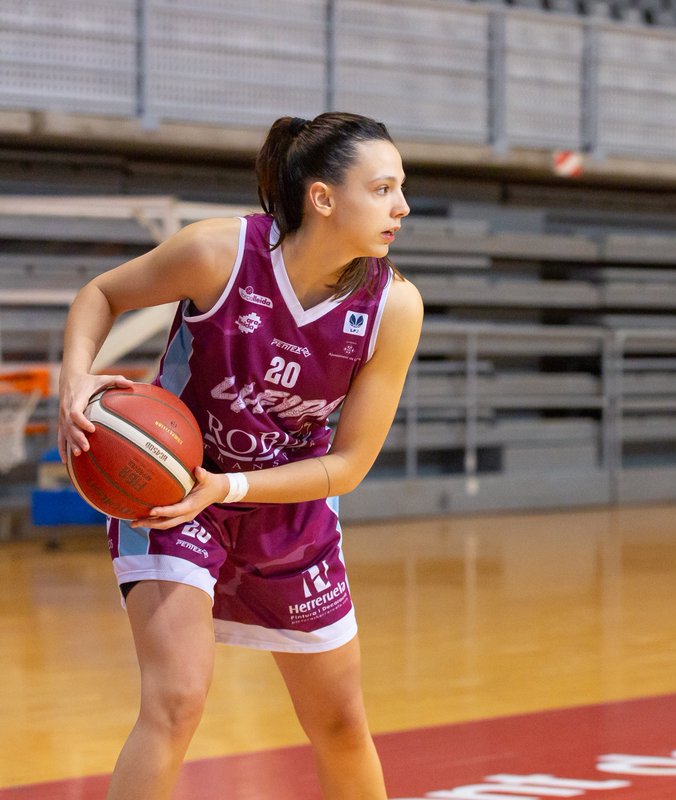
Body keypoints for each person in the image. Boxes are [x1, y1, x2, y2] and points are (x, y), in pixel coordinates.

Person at [58, 112, 423, 799]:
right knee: (176, 703)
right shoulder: (217, 253)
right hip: (169, 497)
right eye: (382, 189)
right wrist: (75, 381)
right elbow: (101, 294)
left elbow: (347, 466)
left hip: (285, 505)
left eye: (400, 188)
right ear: (322, 197)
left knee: (342, 721)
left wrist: (227, 490)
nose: (401, 206)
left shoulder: (393, 307)